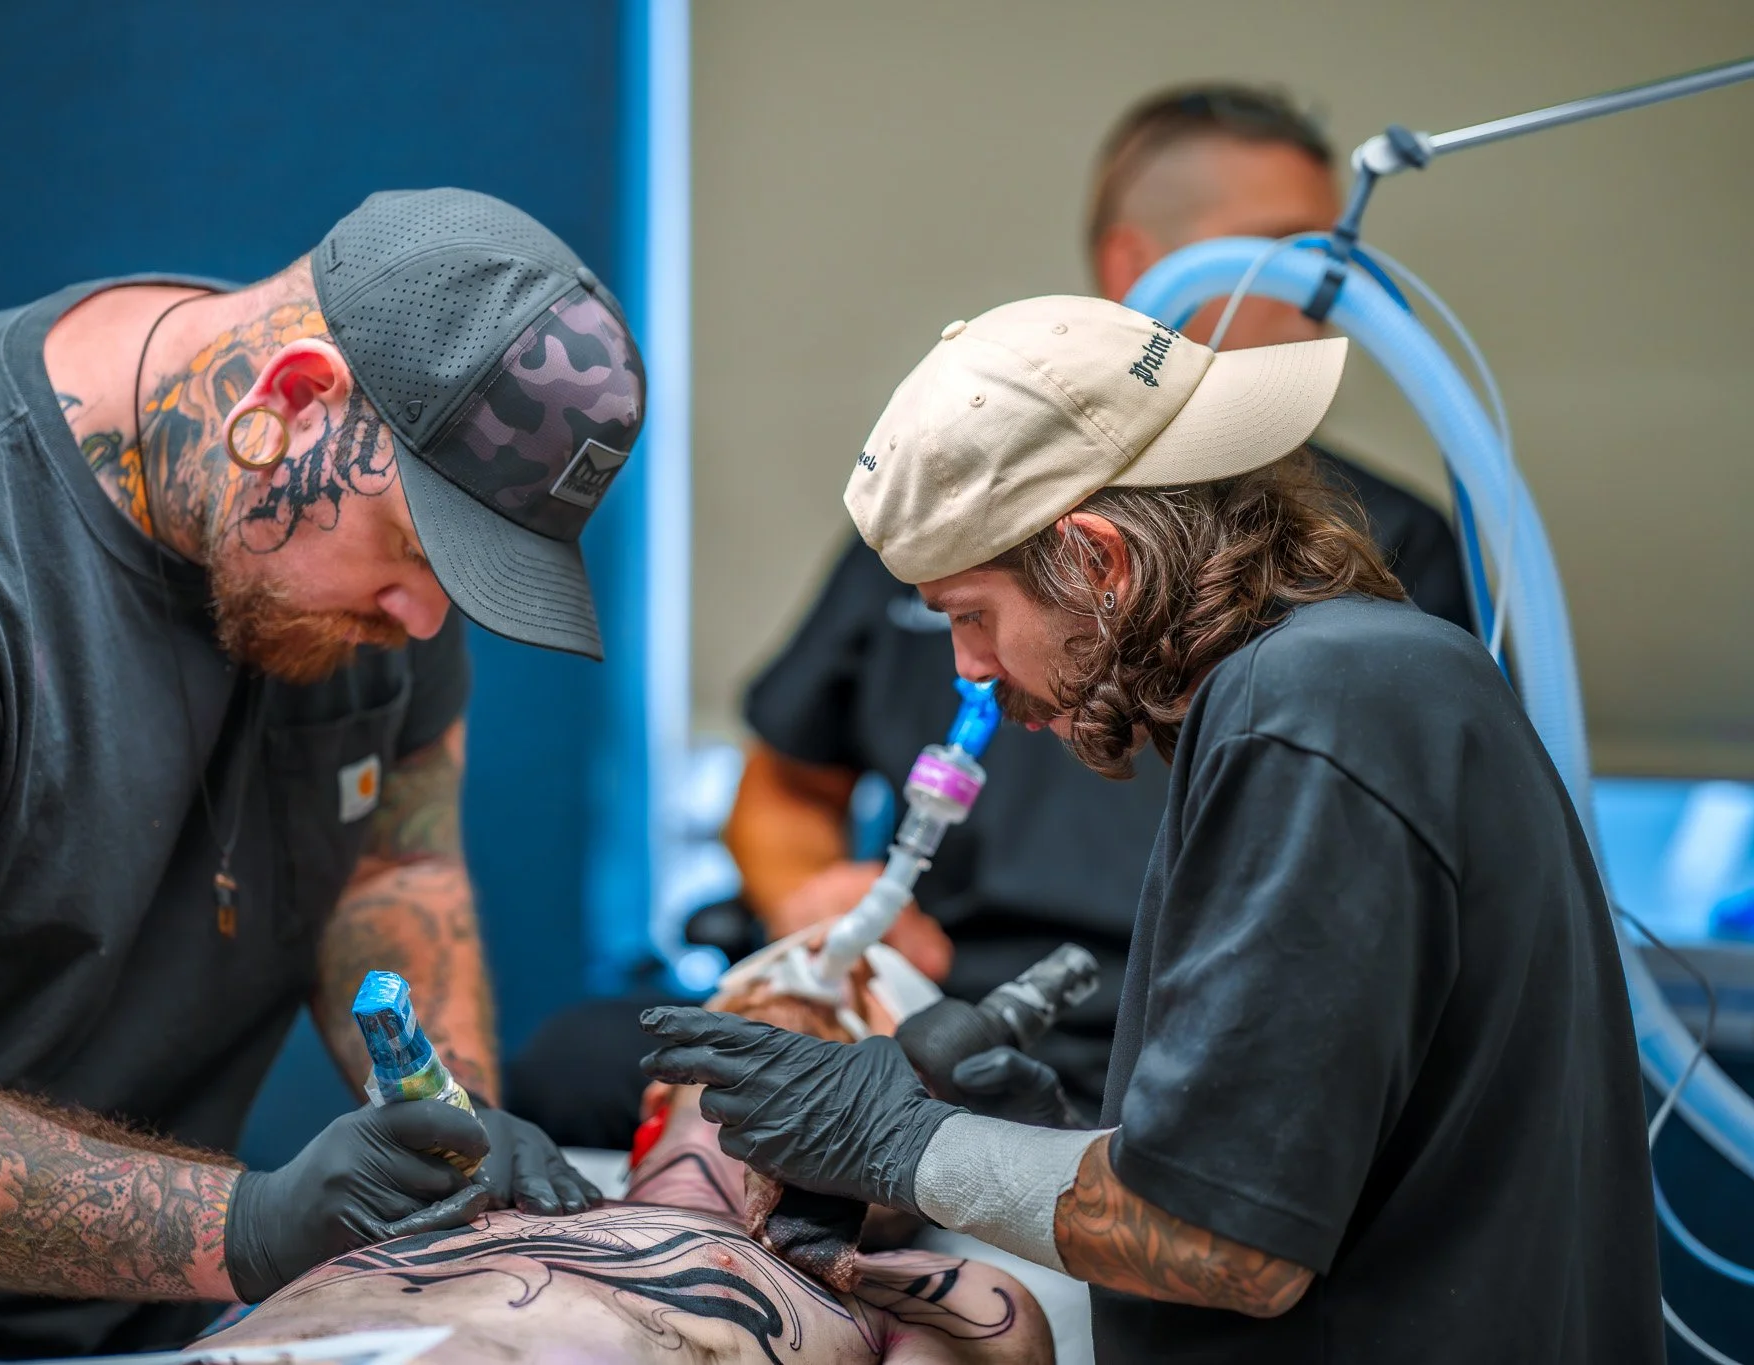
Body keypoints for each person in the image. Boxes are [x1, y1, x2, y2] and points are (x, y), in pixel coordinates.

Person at [0, 189, 637, 1364]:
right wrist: (251, 1224)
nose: (421, 619)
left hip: (154, 1313)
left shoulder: (371, 540)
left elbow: (391, 866)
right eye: (413, 554)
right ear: (290, 402)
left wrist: (449, 1114)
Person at [643, 294, 1661, 1362]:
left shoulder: (1306, 713)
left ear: (1099, 562)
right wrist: (1068, 1146)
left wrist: (902, 1142)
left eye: (972, 616)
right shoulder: (1357, 681)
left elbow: (1223, 1243)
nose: (970, 671)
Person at [724, 83, 1471, 1116]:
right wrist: (821, 906)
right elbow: (785, 782)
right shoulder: (946, 513)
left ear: (1104, 565)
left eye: (1330, 261)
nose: (1322, 296)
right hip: (940, 1013)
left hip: (1205, 1044)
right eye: (1281, 255)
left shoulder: (1365, 551)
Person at [195, 953, 1052, 1365]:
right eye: (756, 1002)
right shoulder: (446, 1195)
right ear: (654, 1106)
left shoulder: (925, 1298)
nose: (811, 975)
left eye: (851, 1039)